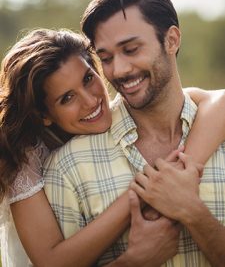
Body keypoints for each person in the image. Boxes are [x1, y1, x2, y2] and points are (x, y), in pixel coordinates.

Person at [0, 30, 224, 267]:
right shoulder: (22, 157)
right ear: (43, 115)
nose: (90, 101)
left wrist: (177, 174)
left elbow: (218, 100)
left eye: (88, 78)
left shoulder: (135, 112)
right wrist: (136, 255)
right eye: (67, 98)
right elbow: (52, 262)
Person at [42, 0, 225, 267]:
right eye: (106, 58)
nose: (119, 70)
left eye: (131, 49)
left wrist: (193, 213)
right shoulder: (69, 168)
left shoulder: (219, 128)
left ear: (172, 40)